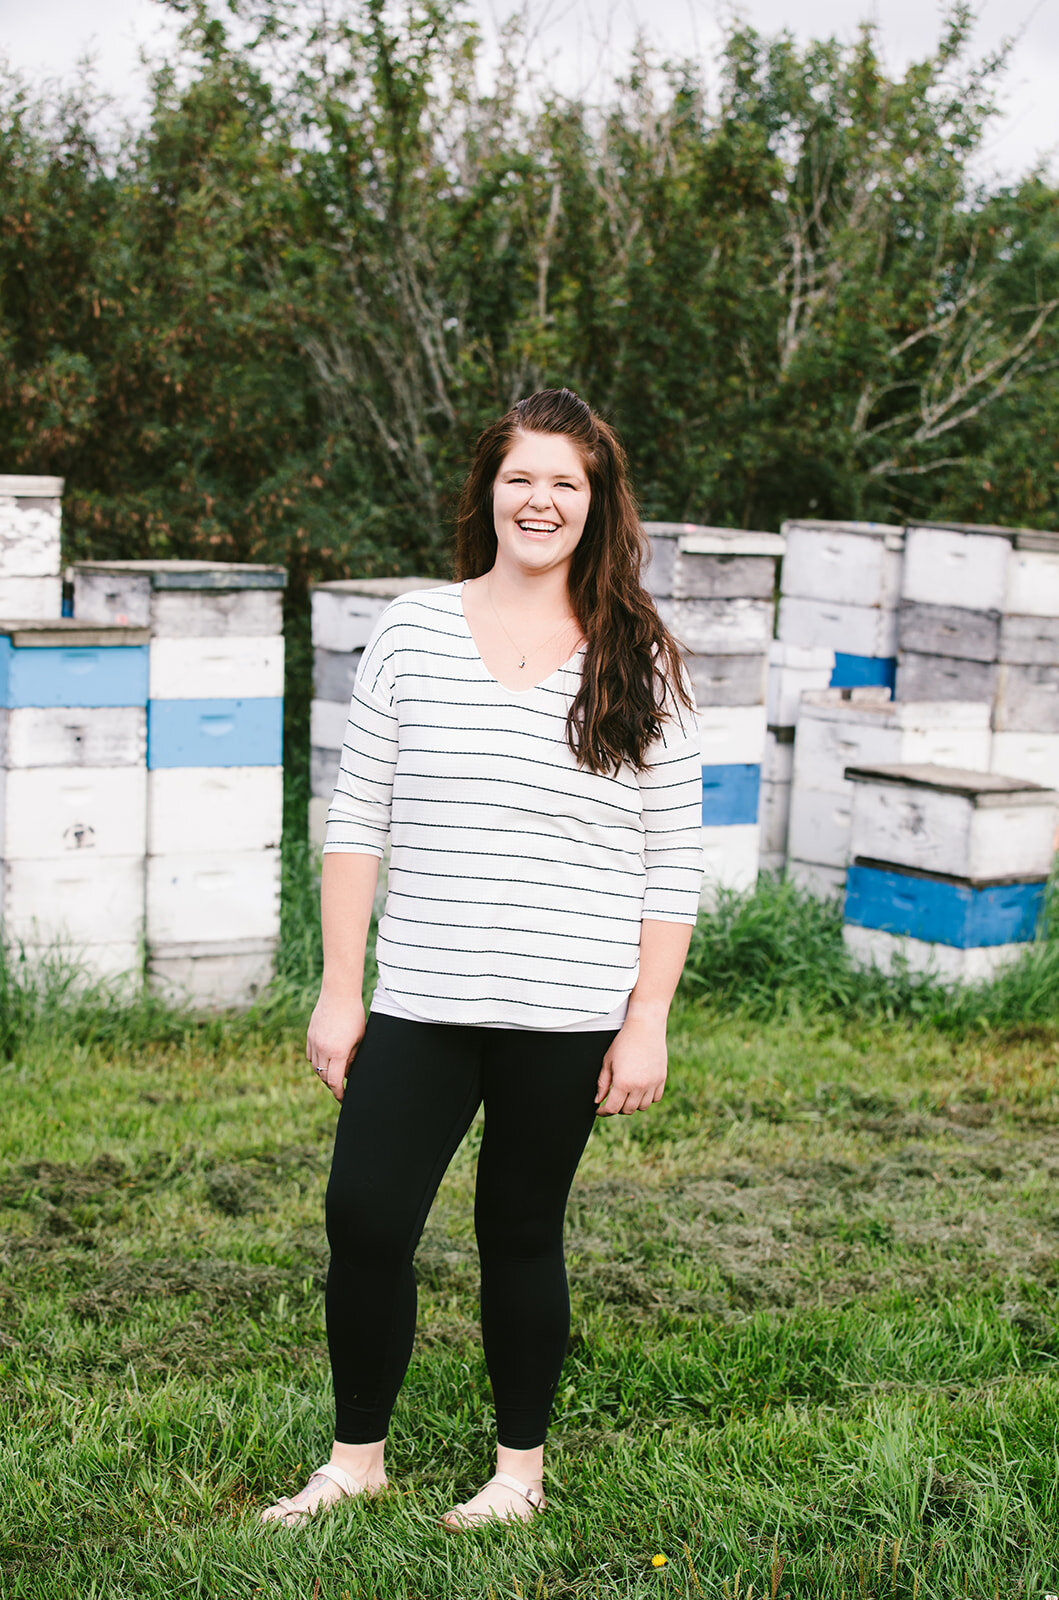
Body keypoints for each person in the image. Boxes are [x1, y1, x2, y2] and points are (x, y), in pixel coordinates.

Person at [261, 387, 704, 1531]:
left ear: (594, 502)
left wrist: (646, 1015)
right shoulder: (411, 629)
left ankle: (518, 1472)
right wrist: (338, 988)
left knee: (517, 1228)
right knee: (362, 1216)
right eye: (520, 478)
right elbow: (356, 820)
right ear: (488, 492)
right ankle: (355, 1458)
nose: (539, 499)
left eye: (564, 481)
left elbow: (672, 858)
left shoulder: (636, 655)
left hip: (564, 1009)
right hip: (421, 996)